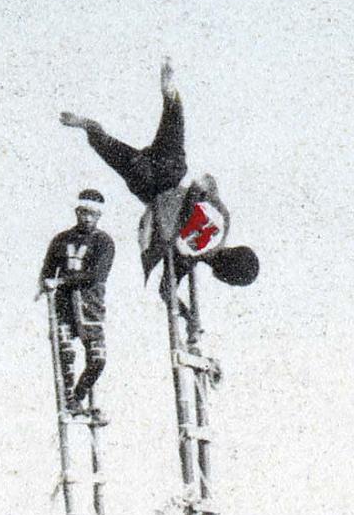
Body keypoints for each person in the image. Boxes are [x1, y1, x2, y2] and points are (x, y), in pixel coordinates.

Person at [59, 60, 258, 289]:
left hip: (172, 171)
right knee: (111, 151)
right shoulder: (188, 258)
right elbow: (166, 288)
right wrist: (183, 312)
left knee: (173, 121)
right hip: (147, 186)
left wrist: (193, 193)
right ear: (223, 276)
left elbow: (206, 182)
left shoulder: (223, 221)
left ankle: (170, 95)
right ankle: (93, 130)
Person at [39, 188, 115, 415]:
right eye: (83, 212)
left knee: (98, 360)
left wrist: (62, 281)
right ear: (77, 211)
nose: (87, 218)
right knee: (66, 356)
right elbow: (47, 271)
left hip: (91, 308)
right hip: (64, 309)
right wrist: (46, 283)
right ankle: (69, 400)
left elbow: (97, 274)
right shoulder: (61, 240)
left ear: (98, 216)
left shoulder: (104, 242)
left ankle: (79, 397)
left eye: (92, 214)